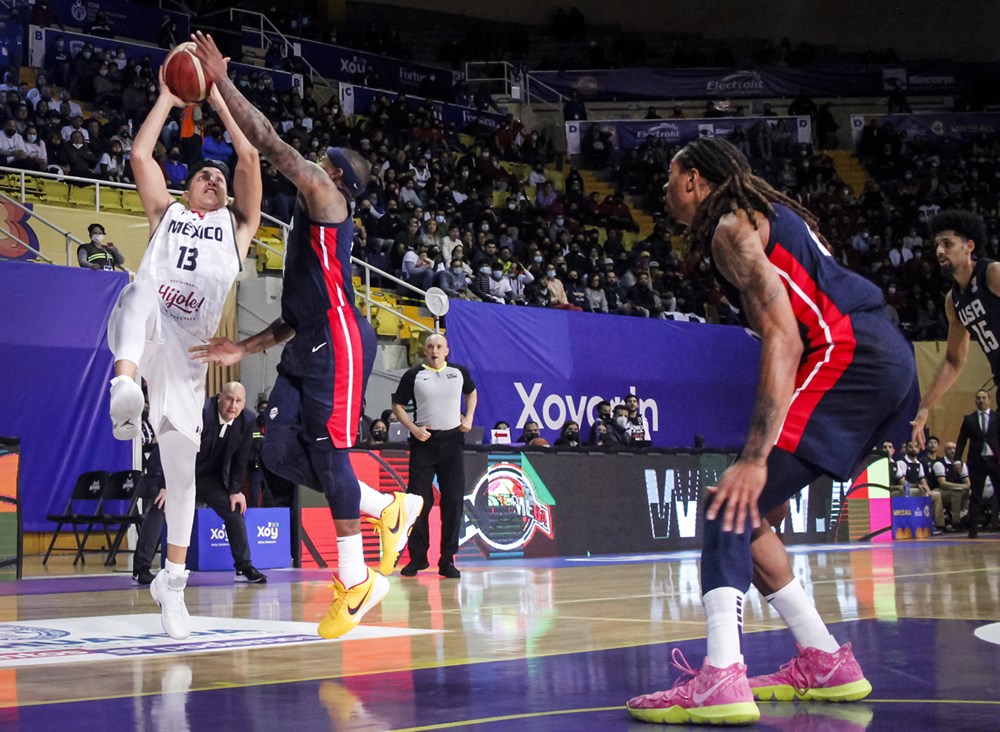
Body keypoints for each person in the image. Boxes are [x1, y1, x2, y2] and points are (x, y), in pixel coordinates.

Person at [628, 137, 914, 725]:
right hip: (885, 358)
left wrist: (756, 458)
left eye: (669, 178)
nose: (663, 190)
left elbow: (784, 335)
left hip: (849, 352)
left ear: (693, 181)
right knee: (748, 518)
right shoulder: (768, 217)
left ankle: (721, 677)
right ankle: (827, 661)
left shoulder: (730, 228)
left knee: (727, 504)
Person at [187, 32, 423, 639]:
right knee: (277, 451)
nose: (313, 159)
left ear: (335, 173)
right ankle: (384, 508)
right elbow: (294, 314)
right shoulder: (311, 218)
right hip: (306, 338)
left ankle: (355, 577)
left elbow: (266, 139)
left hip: (339, 341)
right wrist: (244, 348)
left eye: (323, 156)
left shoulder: (323, 192)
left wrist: (218, 86)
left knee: (327, 451)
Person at [104, 64, 262, 640]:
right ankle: (124, 385)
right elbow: (142, 157)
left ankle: (172, 584)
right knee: (139, 287)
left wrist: (218, 98)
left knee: (182, 473)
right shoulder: (165, 214)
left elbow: (248, 160)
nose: (215, 180)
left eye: (218, 180)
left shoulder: (237, 230)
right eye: (203, 176)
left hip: (191, 354)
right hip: (147, 325)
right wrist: (169, 98)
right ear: (187, 189)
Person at [912, 211, 1000, 539]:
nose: (939, 251)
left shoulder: (992, 273)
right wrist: (924, 408)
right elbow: (952, 361)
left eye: (947, 244)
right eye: (937, 245)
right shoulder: (955, 302)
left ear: (969, 247)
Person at [132, 383, 269, 586]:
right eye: (229, 399)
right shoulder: (200, 413)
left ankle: (244, 567)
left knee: (234, 511)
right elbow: (174, 447)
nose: (233, 405)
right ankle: (140, 569)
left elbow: (241, 458)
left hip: (210, 480)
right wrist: (167, 483)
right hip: (180, 473)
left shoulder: (247, 420)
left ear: (244, 404)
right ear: (219, 397)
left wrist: (235, 490)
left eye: (238, 401)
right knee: (161, 506)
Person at [391, 333, 477, 579]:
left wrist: (469, 417)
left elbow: (472, 393)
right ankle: (418, 559)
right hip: (423, 442)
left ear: (447, 350)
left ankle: (447, 560)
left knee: (453, 502)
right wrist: (413, 428)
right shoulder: (414, 375)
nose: (435, 350)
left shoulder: (459, 372)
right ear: (425, 351)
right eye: (430, 346)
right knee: (418, 502)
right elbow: (398, 405)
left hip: (452, 441)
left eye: (439, 346)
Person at [954, 390, 1000, 537]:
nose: (981, 400)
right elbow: (961, 441)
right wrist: (957, 459)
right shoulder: (969, 419)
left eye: (983, 398)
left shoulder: (997, 417)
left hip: (995, 460)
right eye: (978, 398)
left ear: (989, 400)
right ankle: (973, 530)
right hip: (977, 461)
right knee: (976, 495)